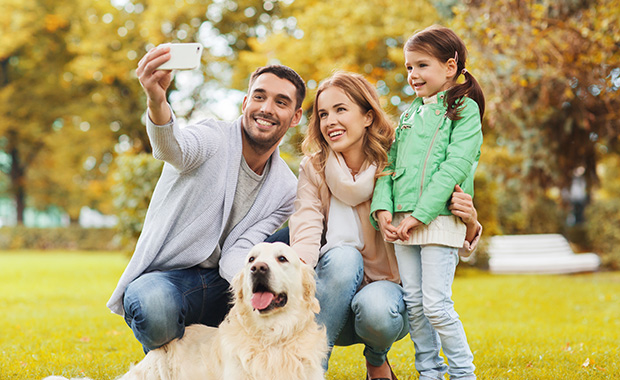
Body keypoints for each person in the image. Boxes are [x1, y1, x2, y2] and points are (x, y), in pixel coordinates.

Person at [106, 44, 305, 352]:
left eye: (281, 102)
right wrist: (157, 100)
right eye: (259, 96)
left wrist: (257, 282)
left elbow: (241, 248)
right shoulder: (212, 137)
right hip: (167, 280)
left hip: (222, 286)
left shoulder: (285, 189)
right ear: (245, 102)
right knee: (155, 308)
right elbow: (173, 147)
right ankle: (178, 351)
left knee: (301, 234)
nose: (266, 108)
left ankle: (268, 342)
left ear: (295, 117)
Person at [289, 71, 482, 380]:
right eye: (323, 114)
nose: (330, 121)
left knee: (376, 308)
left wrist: (470, 222)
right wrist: (296, 273)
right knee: (343, 257)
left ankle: (376, 359)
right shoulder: (314, 167)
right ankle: (310, 369)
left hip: (387, 300)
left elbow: (438, 223)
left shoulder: (399, 157)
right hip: (330, 299)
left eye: (341, 109)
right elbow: (306, 225)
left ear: (367, 116)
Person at [371, 25, 485, 380]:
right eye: (408, 67)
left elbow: (455, 166)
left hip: (438, 219)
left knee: (436, 304)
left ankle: (464, 373)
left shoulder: (464, 111)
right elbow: (388, 167)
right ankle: (429, 372)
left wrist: (420, 215)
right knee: (416, 307)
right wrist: (383, 210)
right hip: (404, 222)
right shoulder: (409, 115)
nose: (413, 75)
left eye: (422, 65)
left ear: (450, 67)